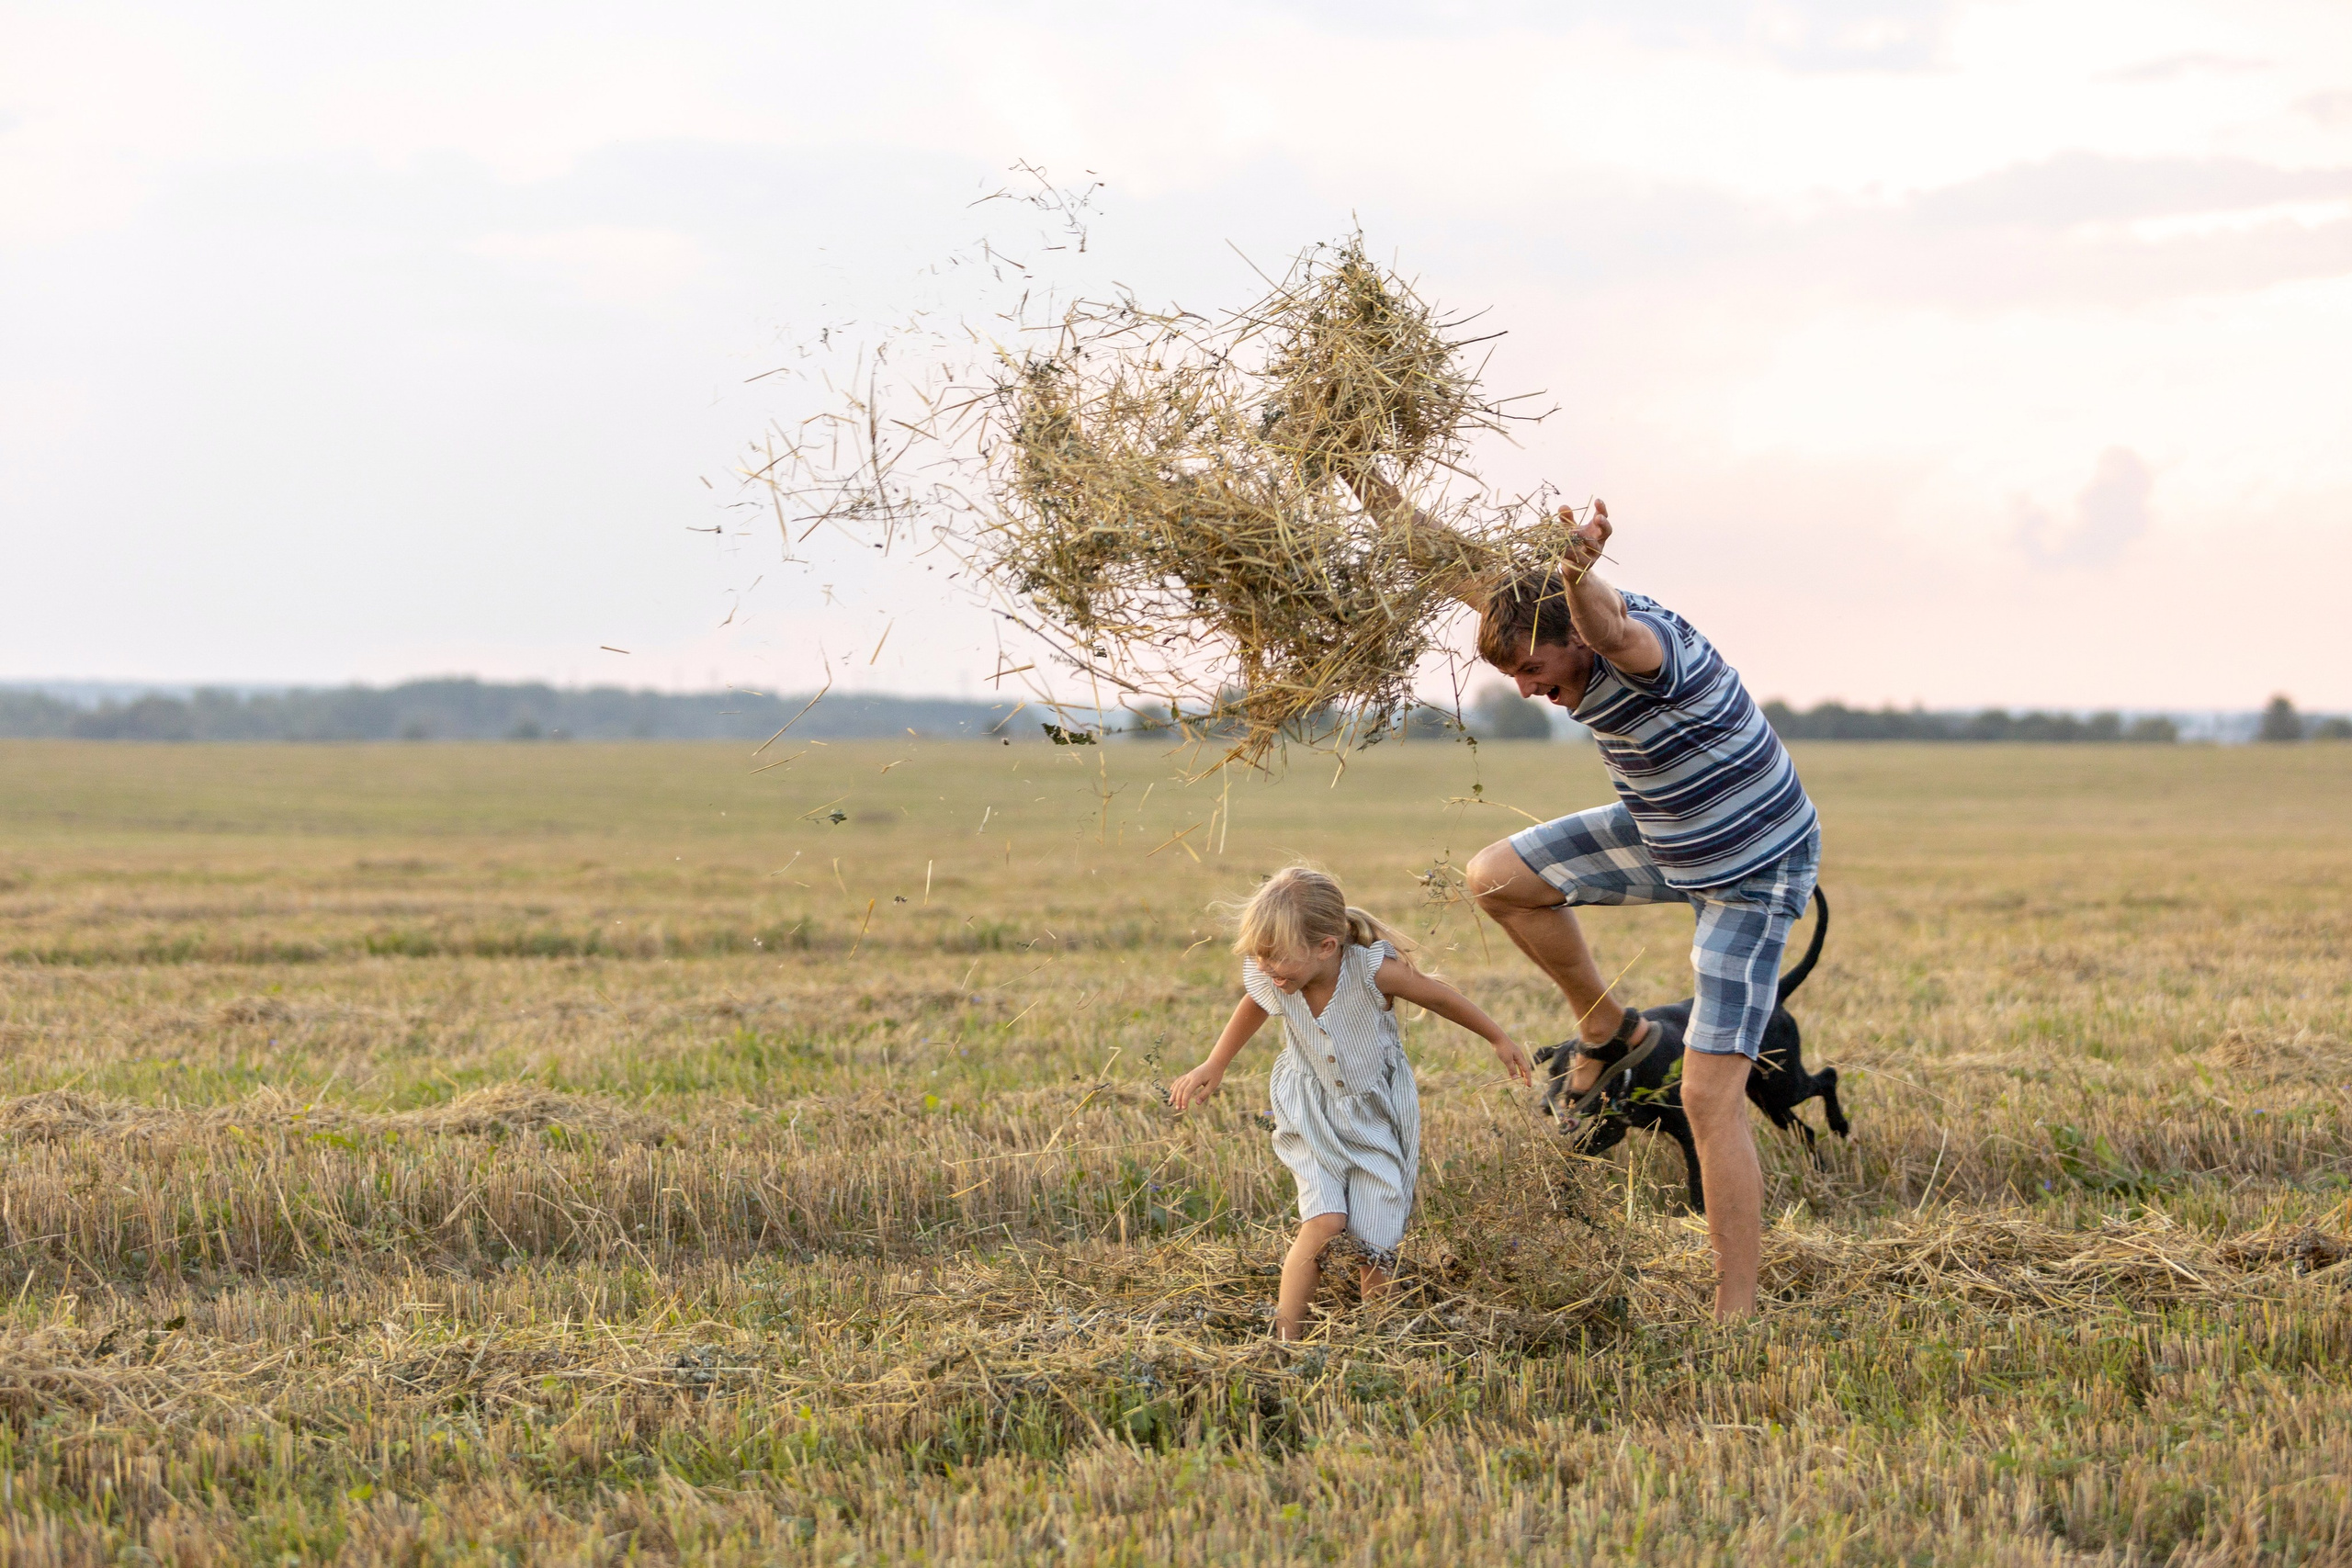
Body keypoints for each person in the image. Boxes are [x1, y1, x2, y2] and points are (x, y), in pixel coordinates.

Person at [1468, 501, 1819, 1321]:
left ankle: (1736, 1313)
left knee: (1705, 1097)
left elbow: (1614, 627)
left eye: (1530, 669)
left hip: (1755, 863)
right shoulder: (1540, 613)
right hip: (1673, 834)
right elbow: (1442, 557)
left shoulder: (1636, 651)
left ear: (1574, 636)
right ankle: (1611, 1032)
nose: (1524, 689)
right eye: (1512, 675)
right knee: (1494, 877)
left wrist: (1578, 572)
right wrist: (1354, 467)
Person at [1168, 866, 1533, 1339]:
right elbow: (1253, 1004)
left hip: (1375, 1117)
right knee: (1325, 1221)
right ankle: (1283, 1342)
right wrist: (1214, 1064)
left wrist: (1498, 1038)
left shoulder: (1371, 971)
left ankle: (1375, 1341)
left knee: (1372, 1243)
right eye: (1259, 957)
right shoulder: (1273, 979)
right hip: (1308, 1109)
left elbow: (1440, 998)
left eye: (1277, 958)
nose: (1267, 970)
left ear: (1326, 947)